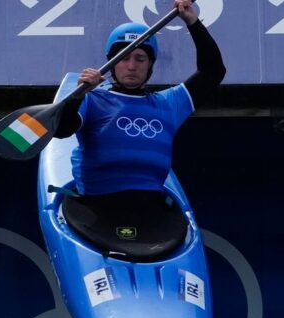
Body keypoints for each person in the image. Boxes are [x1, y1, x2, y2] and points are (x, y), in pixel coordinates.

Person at [51, 0, 225, 261]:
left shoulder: (169, 104)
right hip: (95, 212)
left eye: (140, 58)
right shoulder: (93, 100)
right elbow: (62, 130)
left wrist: (192, 21)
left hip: (149, 215)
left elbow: (213, 72)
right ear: (111, 63)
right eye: (123, 58)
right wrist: (77, 96)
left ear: (151, 65)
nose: (131, 66)